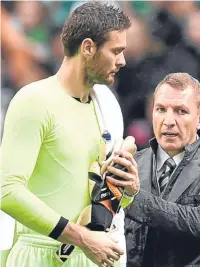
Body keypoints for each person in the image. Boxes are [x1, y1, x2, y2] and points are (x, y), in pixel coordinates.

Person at [0, 2, 140, 267]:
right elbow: (7, 191)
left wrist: (127, 190)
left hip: (93, 256)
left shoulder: (106, 106)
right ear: (88, 48)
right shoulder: (34, 100)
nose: (122, 61)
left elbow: (94, 200)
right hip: (39, 256)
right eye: (116, 51)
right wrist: (81, 238)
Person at [106, 73, 200, 267]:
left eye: (181, 111)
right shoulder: (133, 163)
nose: (169, 120)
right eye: (161, 109)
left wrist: (132, 198)